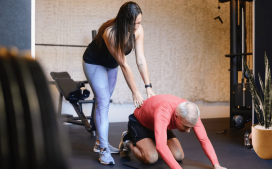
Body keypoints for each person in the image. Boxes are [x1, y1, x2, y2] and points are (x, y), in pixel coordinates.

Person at [82, 1, 155, 165]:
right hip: (94, 63)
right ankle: (103, 150)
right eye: (134, 23)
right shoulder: (111, 32)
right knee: (103, 103)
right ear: (124, 21)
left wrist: (148, 87)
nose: (137, 26)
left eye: (139, 22)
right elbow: (124, 65)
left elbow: (141, 60)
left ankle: (100, 142)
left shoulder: (138, 30)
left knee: (104, 101)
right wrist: (135, 91)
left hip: (111, 65)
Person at [119, 94, 227, 169]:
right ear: (176, 116)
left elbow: (204, 140)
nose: (189, 131)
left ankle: (152, 139)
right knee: (151, 157)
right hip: (140, 123)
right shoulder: (163, 112)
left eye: (191, 127)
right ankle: (127, 141)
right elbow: (161, 146)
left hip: (158, 125)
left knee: (179, 155)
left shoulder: (191, 113)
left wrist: (216, 165)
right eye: (185, 126)